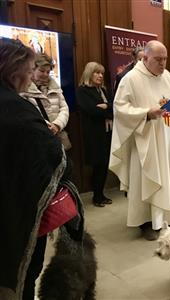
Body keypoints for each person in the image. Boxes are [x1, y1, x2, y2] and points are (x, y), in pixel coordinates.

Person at [0, 38, 66, 300]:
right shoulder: (17, 108)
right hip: (14, 206)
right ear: (15, 72)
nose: (30, 78)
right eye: (29, 71)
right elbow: (51, 154)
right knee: (22, 272)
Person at [109, 40, 170, 241]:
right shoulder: (131, 79)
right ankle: (146, 222)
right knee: (146, 179)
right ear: (145, 58)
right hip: (146, 140)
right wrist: (145, 113)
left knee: (168, 178)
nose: (163, 64)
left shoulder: (168, 77)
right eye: (158, 60)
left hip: (168, 139)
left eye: (165, 59)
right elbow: (120, 108)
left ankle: (168, 217)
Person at [76, 62, 113, 207]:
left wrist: (106, 107)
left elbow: (114, 108)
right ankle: (97, 196)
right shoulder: (82, 91)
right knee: (97, 165)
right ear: (89, 74)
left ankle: (101, 194)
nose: (100, 76)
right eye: (97, 73)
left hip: (108, 132)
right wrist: (106, 110)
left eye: (102, 73)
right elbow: (91, 111)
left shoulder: (103, 90)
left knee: (104, 165)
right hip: (94, 134)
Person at [20, 53, 70, 146]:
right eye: (42, 71)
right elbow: (27, 114)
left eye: (48, 72)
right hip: (37, 140)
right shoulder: (24, 89)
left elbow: (64, 109)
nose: (45, 75)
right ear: (32, 70)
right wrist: (48, 127)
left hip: (58, 138)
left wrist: (57, 125)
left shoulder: (55, 87)